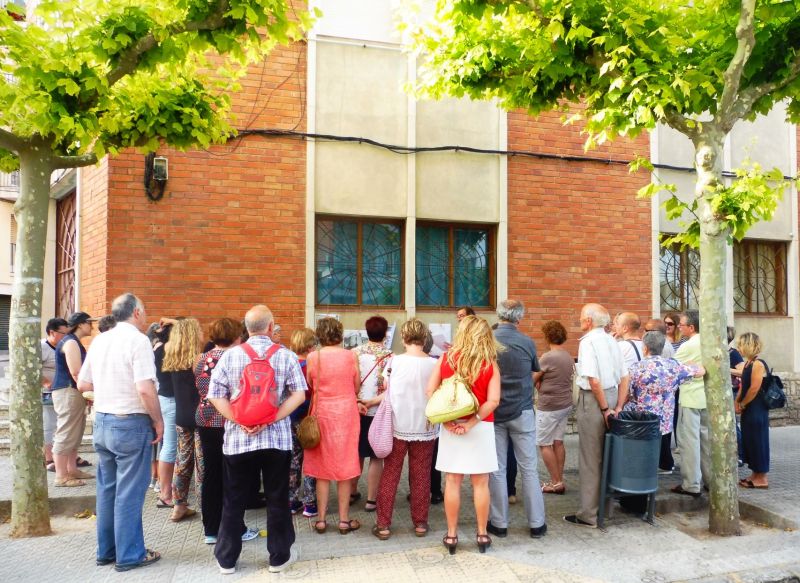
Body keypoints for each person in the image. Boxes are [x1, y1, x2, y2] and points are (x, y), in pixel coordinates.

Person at [208, 305, 306, 574]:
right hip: (276, 440)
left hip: (238, 441)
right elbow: (299, 395)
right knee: (277, 498)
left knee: (234, 499)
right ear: (271, 327)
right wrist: (270, 419)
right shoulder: (285, 356)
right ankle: (279, 557)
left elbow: (214, 394)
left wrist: (240, 420)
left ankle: (227, 559)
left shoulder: (230, 356)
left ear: (246, 328)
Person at [77, 293, 164, 572]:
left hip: (102, 421)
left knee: (107, 489)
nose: (146, 315)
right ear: (136, 312)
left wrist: (108, 389)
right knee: (129, 492)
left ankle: (107, 551)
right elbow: (145, 388)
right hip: (130, 422)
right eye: (144, 310)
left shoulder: (100, 340)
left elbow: (83, 384)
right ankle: (130, 554)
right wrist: (158, 420)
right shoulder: (138, 341)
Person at [427, 315, 501, 554]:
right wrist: (472, 422)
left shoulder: (446, 358)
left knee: (452, 481)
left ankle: (451, 535)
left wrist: (448, 422)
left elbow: (430, 391)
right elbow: (493, 401)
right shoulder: (489, 363)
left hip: (452, 428)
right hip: (481, 426)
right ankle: (482, 534)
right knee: (481, 483)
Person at [194, 318, 258, 545]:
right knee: (233, 476)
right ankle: (236, 528)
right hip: (230, 419)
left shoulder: (201, 358)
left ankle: (211, 530)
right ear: (236, 336)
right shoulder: (236, 357)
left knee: (211, 474)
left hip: (204, 418)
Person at [622, 331, 704, 508]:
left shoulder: (636, 367)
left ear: (645, 348)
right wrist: (692, 365)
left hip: (640, 421)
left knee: (639, 458)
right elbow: (701, 371)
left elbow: (627, 393)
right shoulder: (673, 366)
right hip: (663, 421)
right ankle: (650, 489)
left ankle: (638, 493)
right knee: (655, 455)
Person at [372, 319, 438, 540]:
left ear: (403, 337)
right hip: (425, 425)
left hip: (397, 424)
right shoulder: (434, 364)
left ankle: (383, 524)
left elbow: (386, 389)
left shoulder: (394, 361)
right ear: (425, 337)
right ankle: (420, 523)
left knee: (390, 473)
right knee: (421, 476)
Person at [564, 303, 628, 528]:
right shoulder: (612, 340)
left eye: (582, 316)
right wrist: (618, 406)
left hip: (594, 400)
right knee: (608, 455)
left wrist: (604, 409)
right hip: (612, 396)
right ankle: (606, 509)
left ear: (589, 321)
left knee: (591, 458)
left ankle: (588, 514)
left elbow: (593, 379)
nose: (580, 320)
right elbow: (625, 377)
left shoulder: (588, 342)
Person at [487, 300, 546, 539]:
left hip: (494, 410)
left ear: (498, 315)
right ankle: (537, 524)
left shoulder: (488, 341)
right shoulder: (527, 342)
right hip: (522, 411)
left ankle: (499, 523)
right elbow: (534, 369)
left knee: (497, 470)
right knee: (529, 469)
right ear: (519, 318)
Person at [303, 317, 362, 535]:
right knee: (345, 465)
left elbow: (310, 384)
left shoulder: (313, 357)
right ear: (340, 333)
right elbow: (356, 386)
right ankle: (344, 520)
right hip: (346, 414)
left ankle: (321, 519)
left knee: (322, 468)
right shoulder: (350, 356)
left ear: (319, 335)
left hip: (322, 414)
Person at [162, 318, 202, 522]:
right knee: (202, 464)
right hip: (200, 417)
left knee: (183, 461)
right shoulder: (199, 359)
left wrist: (173, 323)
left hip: (181, 415)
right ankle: (206, 506)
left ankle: (179, 505)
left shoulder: (171, 356)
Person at [351, 316, 392, 511]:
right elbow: (390, 388)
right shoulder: (390, 356)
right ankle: (371, 500)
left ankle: (351, 492)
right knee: (376, 456)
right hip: (379, 411)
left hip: (357, 409)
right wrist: (373, 401)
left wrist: (358, 400)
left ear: (366, 332)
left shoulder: (354, 353)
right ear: (385, 333)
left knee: (356, 453)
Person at [51, 311, 95, 487]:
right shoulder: (70, 342)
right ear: (81, 324)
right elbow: (76, 372)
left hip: (72, 391)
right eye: (89, 323)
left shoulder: (73, 341)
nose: (92, 326)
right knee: (66, 432)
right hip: (67, 391)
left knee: (75, 432)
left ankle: (72, 469)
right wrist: (87, 391)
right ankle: (61, 476)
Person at [672, 310, 710, 498]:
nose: (679, 327)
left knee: (689, 443)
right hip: (707, 397)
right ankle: (711, 481)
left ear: (692, 327)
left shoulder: (688, 346)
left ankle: (691, 484)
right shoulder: (710, 342)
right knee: (707, 443)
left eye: (682, 325)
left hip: (690, 398)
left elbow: (672, 368)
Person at [534, 320, 573, 495]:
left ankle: (556, 483)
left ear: (547, 336)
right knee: (558, 442)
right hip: (564, 404)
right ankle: (559, 480)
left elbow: (533, 379)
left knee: (544, 444)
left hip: (549, 406)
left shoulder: (547, 357)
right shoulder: (567, 356)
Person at [288, 327, 318, 518]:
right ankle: (310, 503)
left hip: (289, 416)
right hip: (308, 418)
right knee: (311, 459)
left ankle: (291, 500)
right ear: (310, 347)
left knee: (293, 460)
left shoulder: (288, 364)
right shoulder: (312, 366)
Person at [735, 332, 770, 489]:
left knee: (758, 440)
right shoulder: (748, 363)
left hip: (756, 408)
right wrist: (737, 401)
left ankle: (762, 478)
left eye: (741, 344)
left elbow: (754, 388)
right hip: (748, 408)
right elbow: (743, 386)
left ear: (748, 345)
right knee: (750, 440)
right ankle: (755, 473)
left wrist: (742, 404)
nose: (738, 348)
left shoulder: (758, 364)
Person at [40, 317, 69, 471]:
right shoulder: (42, 347)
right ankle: (48, 458)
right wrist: (46, 382)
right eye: (63, 333)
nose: (65, 336)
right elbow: (33, 368)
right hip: (47, 393)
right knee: (49, 424)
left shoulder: (64, 346)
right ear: (52, 332)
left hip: (62, 392)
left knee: (61, 425)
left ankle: (66, 457)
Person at [153, 322, 177, 505]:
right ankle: (166, 493)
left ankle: (165, 489)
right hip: (171, 400)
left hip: (163, 397)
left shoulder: (158, 348)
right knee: (170, 446)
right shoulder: (171, 350)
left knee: (167, 445)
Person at [728, 326, 744, 465]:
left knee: (732, 424)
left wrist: (726, 369)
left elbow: (742, 371)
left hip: (731, 392)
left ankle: (741, 455)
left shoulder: (733, 354)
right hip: (723, 392)